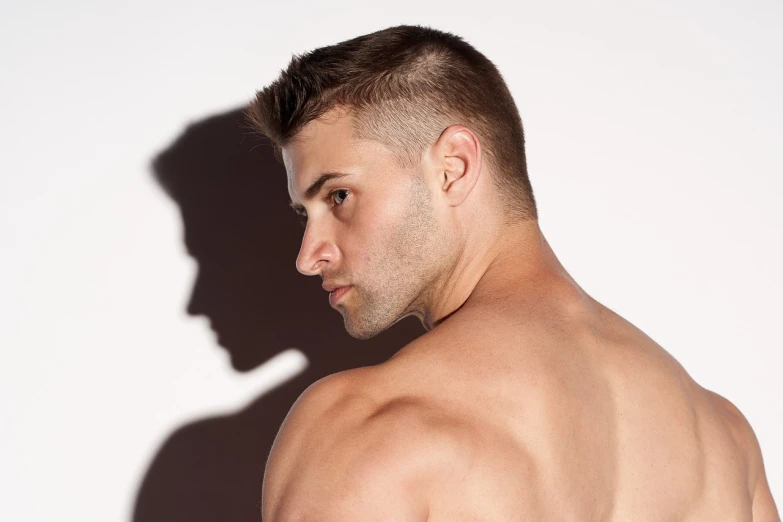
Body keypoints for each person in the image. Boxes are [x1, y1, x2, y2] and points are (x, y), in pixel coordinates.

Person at [246, 24, 779, 521]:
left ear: (452, 168)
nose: (307, 254)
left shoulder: (361, 428)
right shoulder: (727, 440)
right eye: (304, 213)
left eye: (339, 196)